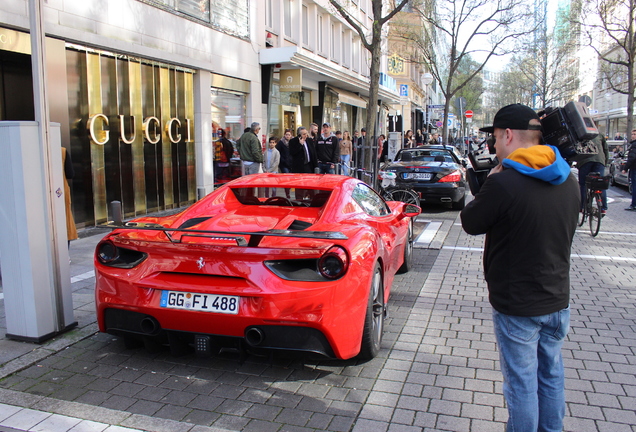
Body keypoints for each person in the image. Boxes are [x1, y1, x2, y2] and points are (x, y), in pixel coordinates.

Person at [460, 104, 579, 432]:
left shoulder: (504, 183)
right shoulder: (568, 179)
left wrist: (492, 181)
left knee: (522, 384)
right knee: (551, 375)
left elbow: (470, 222)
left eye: (496, 139)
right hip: (557, 301)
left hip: (517, 305)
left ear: (508, 135)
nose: (494, 147)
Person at [572, 134, 609, 214]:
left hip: (585, 160)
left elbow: (575, 149)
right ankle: (603, 208)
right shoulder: (599, 134)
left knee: (583, 184)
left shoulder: (580, 133)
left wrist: (576, 163)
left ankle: (582, 207)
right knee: (600, 183)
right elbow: (605, 149)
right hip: (599, 160)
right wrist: (605, 162)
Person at [289, 126, 317, 200]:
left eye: (306, 133)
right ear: (299, 135)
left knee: (311, 184)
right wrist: (300, 145)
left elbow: (313, 153)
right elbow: (292, 153)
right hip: (299, 166)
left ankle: (312, 199)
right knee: (299, 186)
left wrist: (315, 166)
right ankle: (299, 200)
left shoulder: (309, 140)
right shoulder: (293, 141)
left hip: (308, 165)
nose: (306, 135)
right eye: (304, 134)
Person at [61, 147, 78, 248]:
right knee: (65, 219)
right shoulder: (62, 151)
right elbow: (70, 174)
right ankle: (64, 252)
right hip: (60, 191)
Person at [621, 129, 636, 210]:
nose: (633, 136)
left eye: (634, 134)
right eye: (632, 134)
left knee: (634, 186)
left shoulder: (634, 145)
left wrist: (625, 168)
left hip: (634, 168)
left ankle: (634, 205)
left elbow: (632, 157)